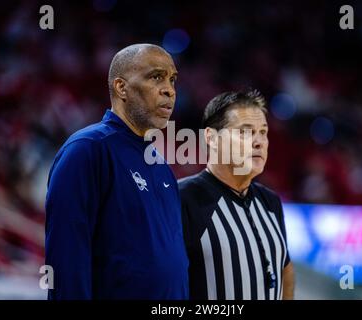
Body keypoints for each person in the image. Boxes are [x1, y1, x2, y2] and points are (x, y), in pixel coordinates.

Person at [45, 44, 188, 299]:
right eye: (156, 77)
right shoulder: (87, 150)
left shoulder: (162, 167)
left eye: (172, 79)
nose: (169, 90)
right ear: (121, 87)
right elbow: (66, 259)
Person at [179, 90, 294, 300]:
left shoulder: (270, 202)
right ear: (211, 138)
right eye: (245, 132)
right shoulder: (182, 199)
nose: (259, 141)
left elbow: (285, 268)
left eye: (263, 132)